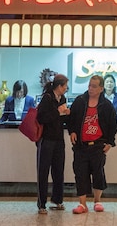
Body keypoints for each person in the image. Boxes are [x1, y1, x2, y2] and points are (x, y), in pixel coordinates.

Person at [68, 75, 117, 214]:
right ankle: (82, 204)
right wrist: (72, 131)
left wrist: (110, 143)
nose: (90, 88)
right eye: (89, 85)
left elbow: (113, 125)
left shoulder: (106, 105)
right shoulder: (80, 101)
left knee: (98, 173)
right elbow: (71, 119)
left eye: (94, 86)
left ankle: (97, 201)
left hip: (98, 145)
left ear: (101, 89)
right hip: (81, 146)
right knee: (80, 173)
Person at [35, 74, 71, 214]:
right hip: (46, 139)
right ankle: (41, 203)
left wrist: (66, 114)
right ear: (59, 86)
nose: (66, 89)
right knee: (43, 171)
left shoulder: (62, 99)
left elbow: (61, 119)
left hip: (58, 139)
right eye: (65, 86)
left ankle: (58, 200)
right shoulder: (47, 98)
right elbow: (42, 118)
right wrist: (58, 112)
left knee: (58, 170)